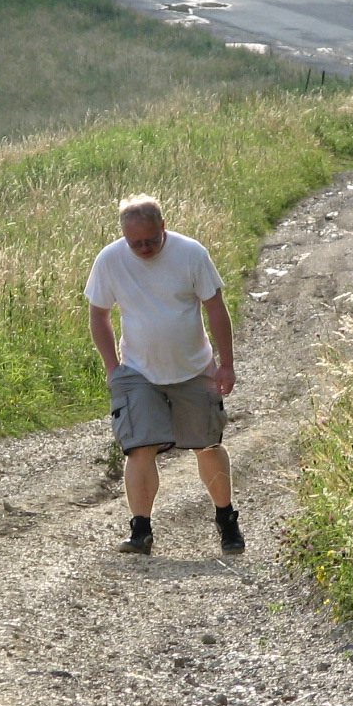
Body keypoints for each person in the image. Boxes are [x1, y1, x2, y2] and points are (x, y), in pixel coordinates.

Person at [85, 194, 244, 556]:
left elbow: (215, 308)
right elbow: (98, 315)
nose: (144, 248)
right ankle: (140, 530)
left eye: (151, 240)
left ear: (164, 227)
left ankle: (226, 520)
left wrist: (226, 363)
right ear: (123, 236)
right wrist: (112, 368)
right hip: (137, 370)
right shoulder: (109, 260)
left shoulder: (191, 253)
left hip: (194, 368)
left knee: (207, 445)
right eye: (135, 243)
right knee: (139, 446)